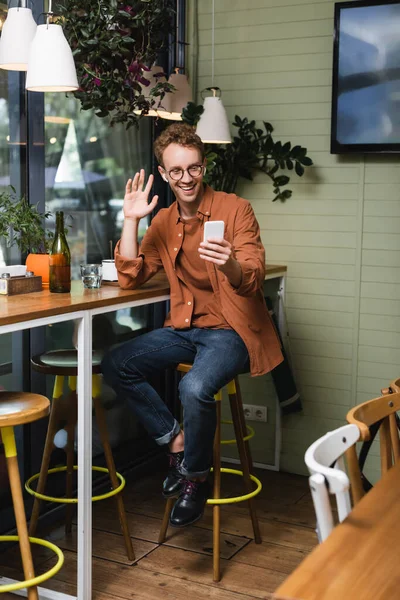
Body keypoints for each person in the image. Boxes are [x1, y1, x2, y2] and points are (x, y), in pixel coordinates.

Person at [101, 123, 283, 528]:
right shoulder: (163, 221)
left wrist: (229, 262)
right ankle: (176, 442)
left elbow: (252, 276)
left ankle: (196, 476)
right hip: (185, 329)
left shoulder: (236, 209)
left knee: (194, 387)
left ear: (204, 167)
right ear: (164, 174)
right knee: (117, 364)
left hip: (231, 331)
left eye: (194, 168)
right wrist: (130, 220)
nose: (186, 179)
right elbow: (132, 275)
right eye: (177, 171)